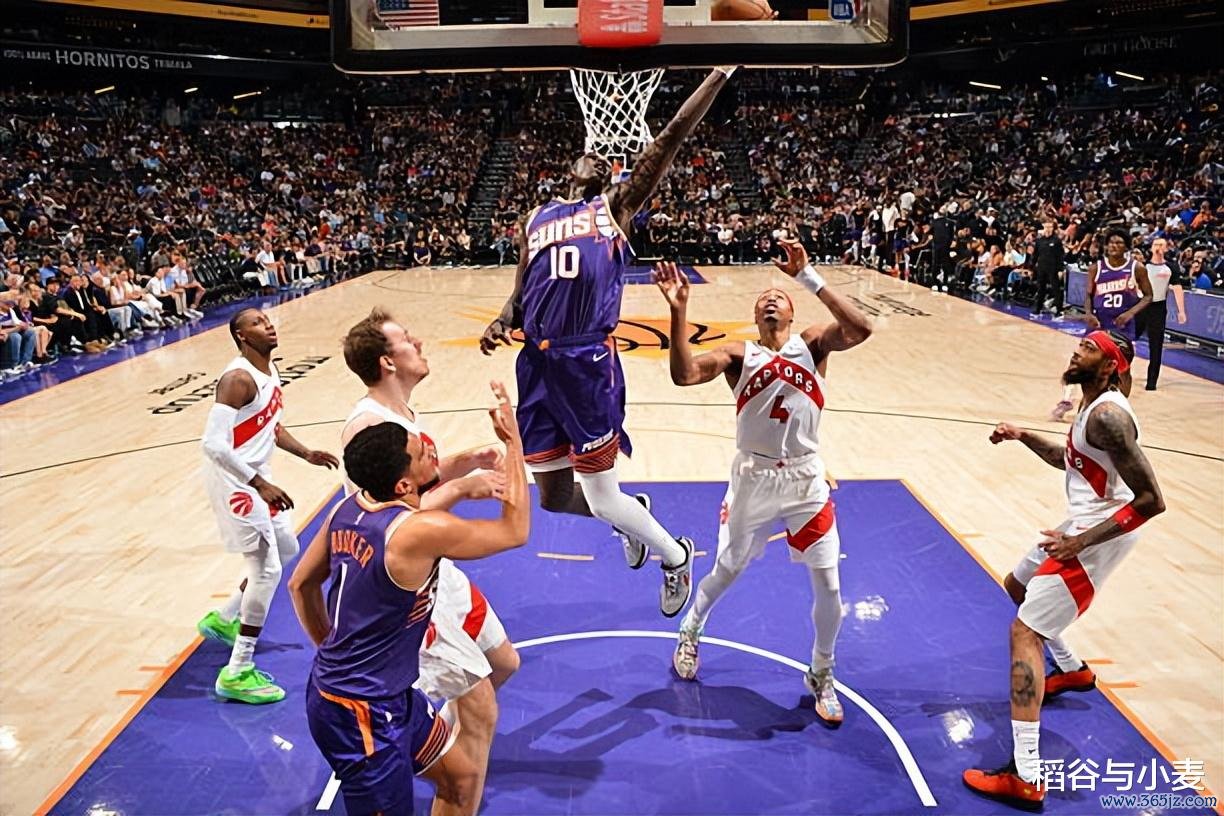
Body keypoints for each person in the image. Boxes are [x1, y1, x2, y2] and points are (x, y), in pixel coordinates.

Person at [478, 67, 740, 617]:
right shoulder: (536, 217)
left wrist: (719, 73)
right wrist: (501, 320)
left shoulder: (613, 208)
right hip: (536, 364)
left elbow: (670, 136)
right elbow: (521, 292)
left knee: (600, 495)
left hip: (586, 364)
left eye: (607, 160)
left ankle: (675, 556)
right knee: (554, 498)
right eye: (590, 155)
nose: (598, 157)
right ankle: (631, 514)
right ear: (569, 169)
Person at [655, 239, 872, 724]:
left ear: (792, 313)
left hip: (806, 481)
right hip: (753, 479)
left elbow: (861, 329)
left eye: (779, 297)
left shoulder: (812, 344)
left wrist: (809, 276)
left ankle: (822, 671)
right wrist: (678, 312)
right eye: (763, 300)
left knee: (830, 587)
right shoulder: (740, 354)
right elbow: (684, 375)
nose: (771, 300)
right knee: (728, 568)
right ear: (756, 317)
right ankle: (691, 628)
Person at [289, 385, 529, 816]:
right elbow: (515, 532)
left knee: (461, 780)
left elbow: (301, 585)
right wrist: (513, 444)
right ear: (403, 483)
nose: (431, 451)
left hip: (385, 694)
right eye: (422, 453)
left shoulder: (348, 508)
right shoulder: (416, 532)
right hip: (358, 713)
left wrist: (329, 651)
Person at [964, 330, 1165, 810]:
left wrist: (1080, 543)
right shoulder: (1090, 405)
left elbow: (1151, 501)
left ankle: (1026, 774)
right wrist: (1023, 435)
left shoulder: (1110, 417)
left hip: (1100, 536)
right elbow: (1068, 459)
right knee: (1017, 585)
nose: (1077, 349)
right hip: (1081, 525)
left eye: (1089, 348)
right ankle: (1072, 670)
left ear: (1110, 366)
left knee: (1025, 632)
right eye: (1080, 343)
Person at [338, 308, 520, 813]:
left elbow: (416, 486)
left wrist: (464, 462)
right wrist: (463, 487)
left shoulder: (398, 415)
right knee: (480, 707)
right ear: (386, 361)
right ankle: (454, 782)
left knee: (504, 663)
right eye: (405, 338)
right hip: (408, 584)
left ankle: (438, 753)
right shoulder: (369, 424)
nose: (417, 341)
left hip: (440, 572)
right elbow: (388, 518)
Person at [197, 308, 340, 703]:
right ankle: (237, 671)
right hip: (237, 482)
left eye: (267, 319)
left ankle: (226, 618)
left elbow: (270, 425)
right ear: (241, 336)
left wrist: (305, 452)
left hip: (254, 476)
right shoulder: (238, 379)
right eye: (257, 323)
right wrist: (259, 484)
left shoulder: (269, 371)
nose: (268, 325)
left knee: (287, 547)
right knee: (268, 569)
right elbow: (213, 445)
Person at [1051, 229, 1149, 420]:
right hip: (1099, 325)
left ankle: (1119, 407)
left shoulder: (1136, 268)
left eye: (1119, 243)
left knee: (1123, 370)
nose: (1114, 246)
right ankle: (1066, 401)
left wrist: (1130, 313)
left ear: (1126, 247)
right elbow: (1088, 295)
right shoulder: (1096, 268)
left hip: (1122, 328)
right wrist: (1088, 314)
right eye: (1111, 242)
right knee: (1079, 362)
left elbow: (1148, 296)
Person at [1135, 238, 1187, 391]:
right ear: (1151, 248)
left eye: (1161, 245)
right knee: (1128, 338)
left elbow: (1177, 288)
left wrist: (1181, 311)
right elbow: (1134, 286)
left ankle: (1151, 382)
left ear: (1166, 249)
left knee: (1156, 345)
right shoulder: (1143, 266)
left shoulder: (1170, 267)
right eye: (1156, 245)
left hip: (1158, 308)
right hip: (1142, 306)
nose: (1158, 247)